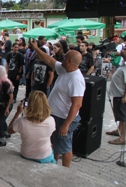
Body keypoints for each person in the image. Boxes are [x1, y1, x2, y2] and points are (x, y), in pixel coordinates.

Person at [29, 39, 85, 168]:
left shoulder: (76, 80)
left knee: (65, 146)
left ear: (70, 61)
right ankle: (54, 164)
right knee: (55, 143)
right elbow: (49, 60)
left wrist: (66, 125)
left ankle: (64, 173)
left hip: (64, 118)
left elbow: (77, 105)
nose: (62, 59)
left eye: (65, 58)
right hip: (55, 115)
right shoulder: (65, 70)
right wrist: (36, 48)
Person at [7, 91, 56, 164]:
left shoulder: (21, 121)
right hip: (45, 155)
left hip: (27, 154)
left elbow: (9, 131)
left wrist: (17, 113)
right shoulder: (51, 120)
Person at [106, 48, 126, 145]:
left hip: (121, 95)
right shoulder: (123, 63)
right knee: (120, 115)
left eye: (125, 49)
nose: (122, 50)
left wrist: (125, 96)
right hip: (118, 94)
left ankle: (123, 137)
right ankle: (119, 130)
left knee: (123, 117)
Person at [0, 66, 14, 147]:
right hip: (2, 105)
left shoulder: (6, 83)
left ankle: (3, 140)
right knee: (2, 119)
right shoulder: (0, 82)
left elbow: (11, 97)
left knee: (0, 122)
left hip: (6, 106)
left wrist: (7, 108)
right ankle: (6, 133)